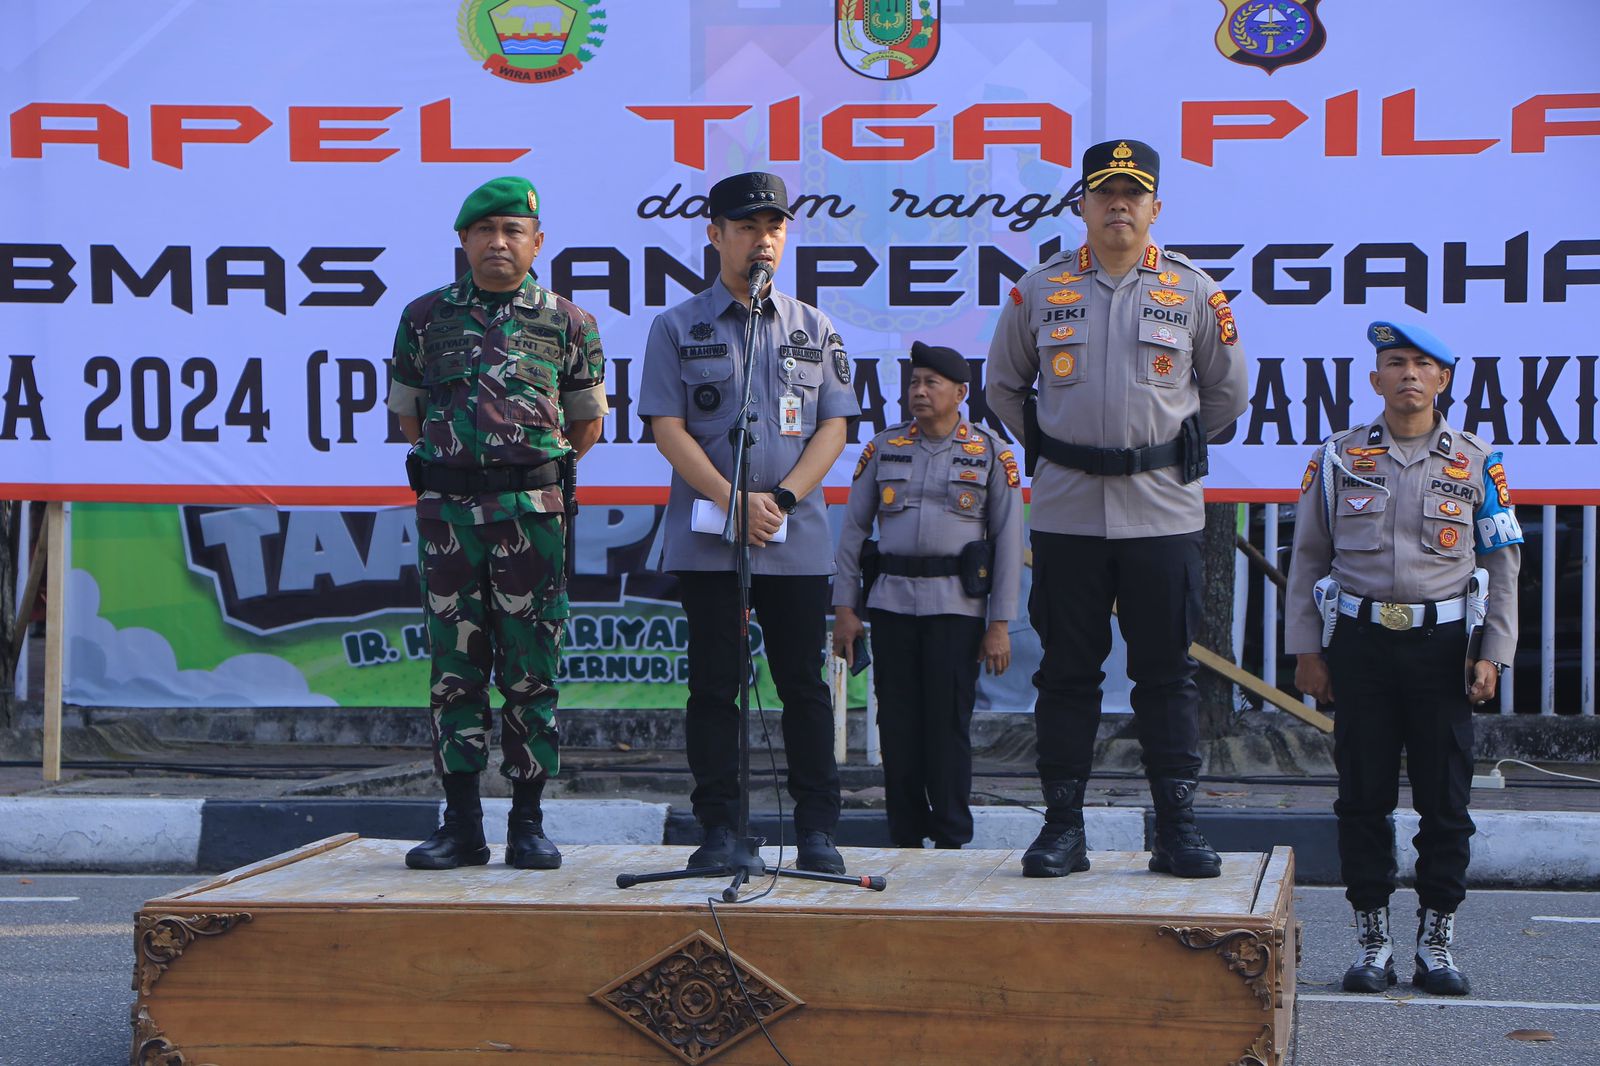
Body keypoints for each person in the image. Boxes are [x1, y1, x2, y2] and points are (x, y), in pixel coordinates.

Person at [986, 138, 1249, 880]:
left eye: (1133, 194)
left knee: (1166, 676)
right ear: (1083, 206)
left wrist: (1165, 445)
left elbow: (1227, 392)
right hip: (1068, 512)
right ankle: (1062, 830)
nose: (1119, 205)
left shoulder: (1196, 294)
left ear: (1155, 207)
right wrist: (1053, 447)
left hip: (1162, 514)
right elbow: (1005, 385)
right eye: (1105, 193)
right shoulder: (1040, 290)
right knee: (1067, 674)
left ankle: (1178, 829)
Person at [1286, 321, 1521, 996]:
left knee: (1445, 803)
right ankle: (1372, 939)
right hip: (1358, 647)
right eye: (1395, 363)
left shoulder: (1478, 461)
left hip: (1443, 649)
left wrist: (1493, 655)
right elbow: (1308, 557)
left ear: (1444, 380)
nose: (1409, 375)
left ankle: (1436, 941)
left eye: (1423, 365)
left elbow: (1502, 567)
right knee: (1362, 798)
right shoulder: (1338, 457)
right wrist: (1307, 648)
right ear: (1375, 380)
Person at [638, 171, 860, 874]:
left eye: (773, 228)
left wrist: (783, 499)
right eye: (746, 228)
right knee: (714, 684)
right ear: (715, 235)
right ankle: (722, 828)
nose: (762, 241)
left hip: (796, 537)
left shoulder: (812, 327)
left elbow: (834, 427)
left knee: (803, 684)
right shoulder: (677, 326)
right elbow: (667, 427)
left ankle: (818, 830)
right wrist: (733, 500)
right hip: (711, 536)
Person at [385, 176, 608, 871]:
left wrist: (517, 469)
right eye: (486, 231)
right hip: (450, 517)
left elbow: (588, 423)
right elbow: (408, 417)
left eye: (514, 231)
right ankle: (461, 825)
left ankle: (529, 823)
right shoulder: (425, 318)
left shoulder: (570, 322)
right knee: (455, 671)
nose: (499, 243)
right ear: (464, 241)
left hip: (532, 518)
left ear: (538, 243)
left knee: (530, 669)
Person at [832, 341, 1023, 849]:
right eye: (914, 382)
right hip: (892, 607)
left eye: (930, 383)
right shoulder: (884, 447)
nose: (918, 391)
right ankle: (905, 832)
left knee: (947, 725)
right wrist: (845, 610)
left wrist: (999, 624)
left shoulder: (990, 453)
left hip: (955, 612)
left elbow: (1008, 543)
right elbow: (853, 532)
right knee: (896, 724)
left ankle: (953, 834)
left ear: (960, 393)